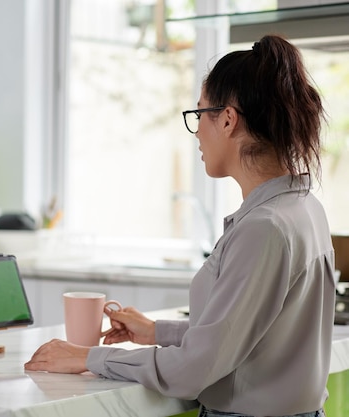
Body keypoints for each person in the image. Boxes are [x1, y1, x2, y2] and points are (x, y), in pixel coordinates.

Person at [24, 34, 336, 417]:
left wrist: (90, 357)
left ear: (227, 119)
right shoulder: (304, 208)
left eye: (199, 113)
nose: (197, 133)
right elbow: (243, 338)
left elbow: (194, 371)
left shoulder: (265, 228)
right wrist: (157, 332)